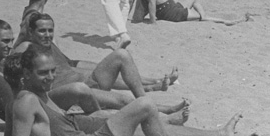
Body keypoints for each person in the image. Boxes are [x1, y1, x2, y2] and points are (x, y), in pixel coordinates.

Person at [2, 49, 252, 136]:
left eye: (52, 72)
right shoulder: (26, 102)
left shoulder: (41, 95)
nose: (49, 77)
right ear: (26, 73)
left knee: (144, 104)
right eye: (43, 73)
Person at [15, 13, 180, 112]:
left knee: (121, 54)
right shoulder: (26, 48)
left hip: (87, 82)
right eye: (42, 31)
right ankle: (161, 109)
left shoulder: (50, 45)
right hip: (72, 93)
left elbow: (70, 64)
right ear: (31, 32)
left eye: (50, 30)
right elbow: (8, 70)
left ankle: (147, 98)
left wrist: (98, 67)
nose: (47, 34)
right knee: (123, 100)